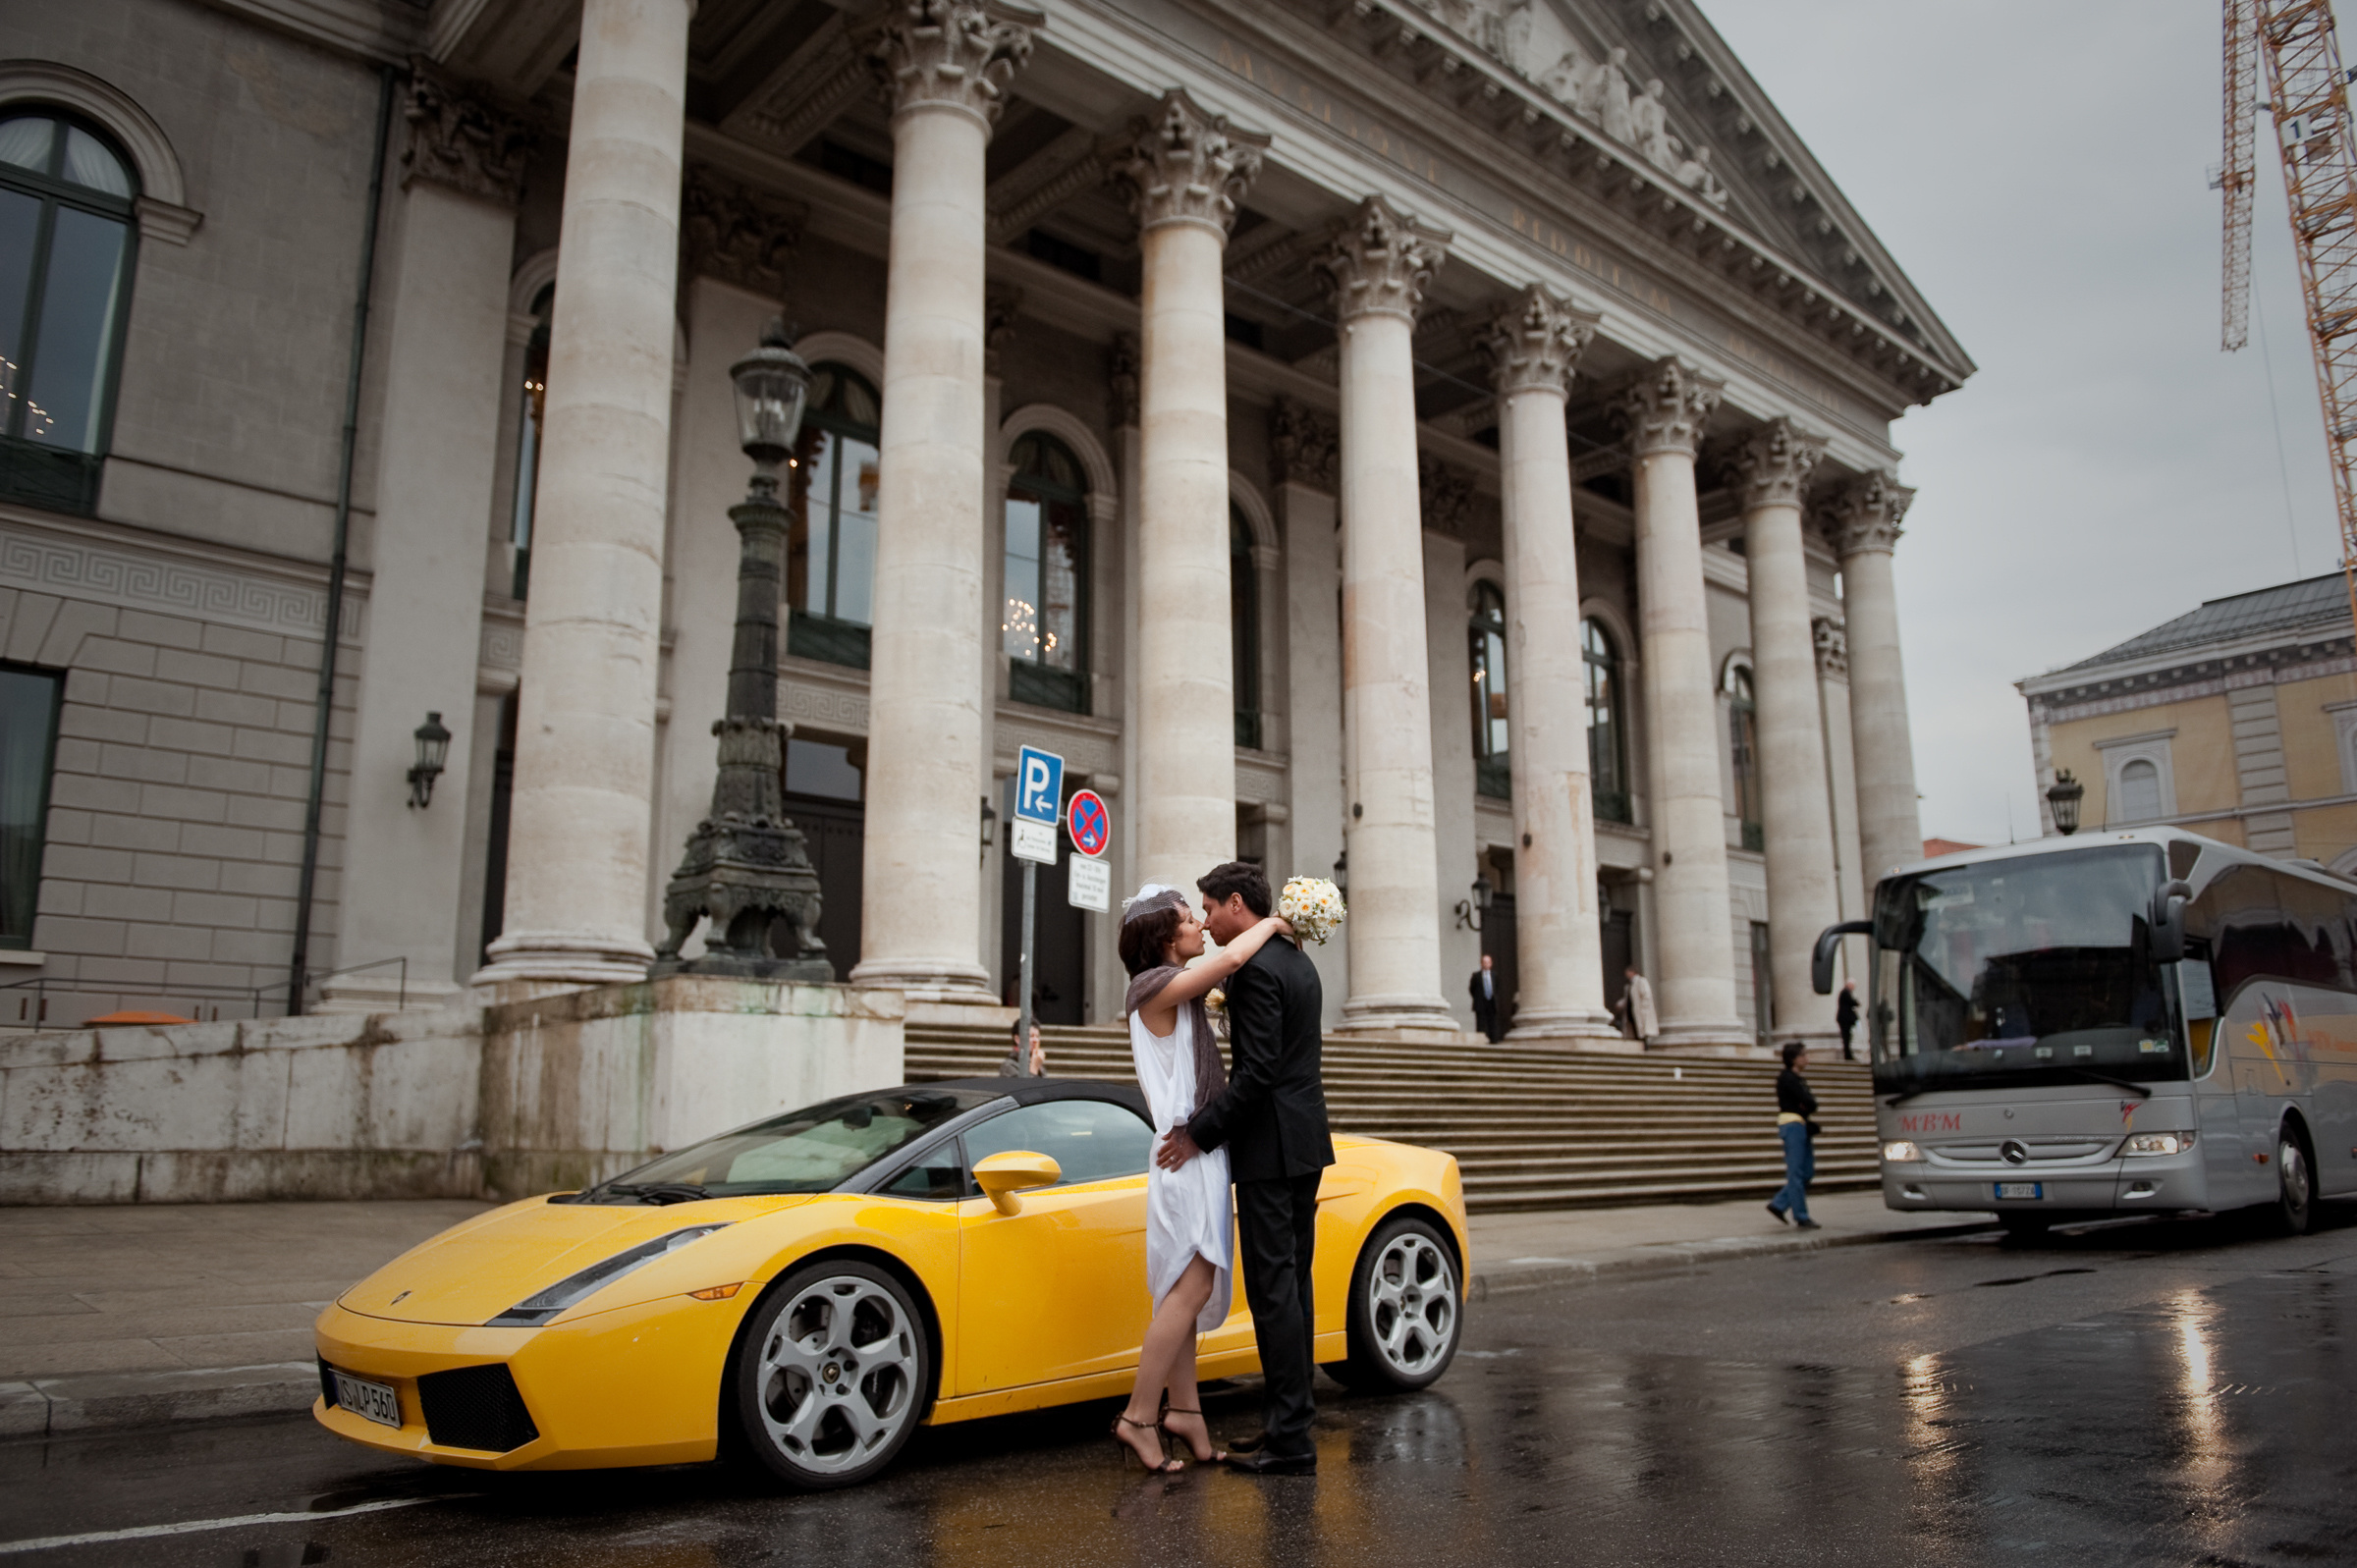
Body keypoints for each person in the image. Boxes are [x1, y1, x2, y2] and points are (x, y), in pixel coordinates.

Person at [1108, 882, 1294, 1475]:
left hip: (1194, 1154)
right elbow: (1233, 959)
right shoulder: (1152, 987)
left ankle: (1185, 1413)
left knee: (1179, 1294)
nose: (1201, 927)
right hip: (1187, 1155)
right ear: (1166, 938)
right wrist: (1277, 923)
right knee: (1190, 1288)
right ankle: (1138, 1417)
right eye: (1190, 920)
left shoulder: (1170, 991)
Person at [1157, 861, 1333, 1477]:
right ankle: (1290, 1428)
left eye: (1209, 909)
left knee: (1273, 1291)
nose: (1205, 922)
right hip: (1304, 1142)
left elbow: (1256, 1075)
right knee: (1294, 1288)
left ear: (1236, 904)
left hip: (1272, 1147)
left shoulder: (1256, 970)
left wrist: (1198, 1135)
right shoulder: (1296, 960)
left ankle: (1291, 1440)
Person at [1767, 1041, 1820, 1229]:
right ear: (1793, 1059)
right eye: (1803, 1055)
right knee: (1796, 1172)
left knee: (1807, 1172)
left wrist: (1807, 1105)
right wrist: (1806, 1105)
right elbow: (1807, 1101)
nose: (1807, 1058)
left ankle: (1779, 1204)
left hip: (1801, 1123)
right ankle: (1801, 1216)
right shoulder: (1787, 1078)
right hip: (1791, 1125)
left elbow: (1810, 1103)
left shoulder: (1798, 1078)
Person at [1468, 953, 1504, 1044]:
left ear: (1491, 964)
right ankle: (1481, 1040)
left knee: (1492, 1022)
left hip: (1491, 1002)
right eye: (1484, 962)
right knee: (1481, 1022)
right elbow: (1472, 989)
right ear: (1481, 964)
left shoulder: (1494, 975)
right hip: (1481, 1002)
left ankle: (1494, 1040)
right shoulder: (1476, 976)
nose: (1486, 964)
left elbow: (1497, 987)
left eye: (1488, 962)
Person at [1620, 964, 1658, 1047]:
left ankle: (1644, 1045)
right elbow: (1629, 998)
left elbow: (1646, 995)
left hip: (1640, 1010)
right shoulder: (1629, 985)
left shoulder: (1641, 981)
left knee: (1642, 1028)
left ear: (1632, 972)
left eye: (1628, 972)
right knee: (1636, 1027)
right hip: (1632, 1010)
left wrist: (1644, 1008)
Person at [1836, 980, 1860, 1062]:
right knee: (1846, 1038)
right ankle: (1848, 1055)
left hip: (1844, 1019)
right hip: (1845, 1019)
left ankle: (1848, 1054)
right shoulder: (1845, 992)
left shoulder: (1845, 992)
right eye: (1853, 986)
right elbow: (1852, 1002)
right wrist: (1856, 1002)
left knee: (1847, 1037)